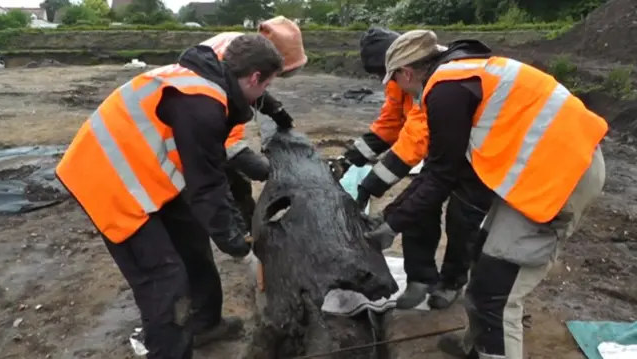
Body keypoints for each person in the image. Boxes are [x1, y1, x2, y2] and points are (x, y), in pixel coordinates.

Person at [363, 30, 607, 359]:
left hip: (561, 177)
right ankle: (475, 348)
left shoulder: (445, 90)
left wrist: (389, 224)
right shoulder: (467, 72)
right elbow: (444, 168)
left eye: (395, 81)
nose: (398, 90)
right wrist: (391, 218)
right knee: (483, 258)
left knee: (496, 295)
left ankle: (492, 350)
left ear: (406, 72)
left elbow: (439, 175)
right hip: (544, 169)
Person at [55, 34, 285, 359]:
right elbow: (206, 187)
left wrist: (236, 228)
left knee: (192, 241)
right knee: (165, 280)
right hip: (106, 180)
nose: (263, 96)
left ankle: (204, 325)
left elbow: (215, 174)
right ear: (254, 77)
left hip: (145, 174)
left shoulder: (209, 86)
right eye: (265, 88)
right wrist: (240, 246)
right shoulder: (201, 104)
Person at [337, 27, 493, 309]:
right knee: (420, 209)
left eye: (386, 74)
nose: (386, 82)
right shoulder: (401, 81)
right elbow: (390, 124)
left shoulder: (443, 78)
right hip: (445, 152)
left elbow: (416, 139)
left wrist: (370, 186)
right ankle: (421, 278)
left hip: (480, 156)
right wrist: (349, 159)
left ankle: (451, 282)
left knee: (462, 220)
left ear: (403, 67)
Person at [198, 16, 308, 258]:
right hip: (195, 136)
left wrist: (275, 110)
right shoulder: (221, 71)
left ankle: (249, 231)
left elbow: (252, 89)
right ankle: (241, 240)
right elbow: (227, 139)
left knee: (236, 185)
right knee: (226, 184)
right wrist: (262, 169)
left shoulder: (239, 48)